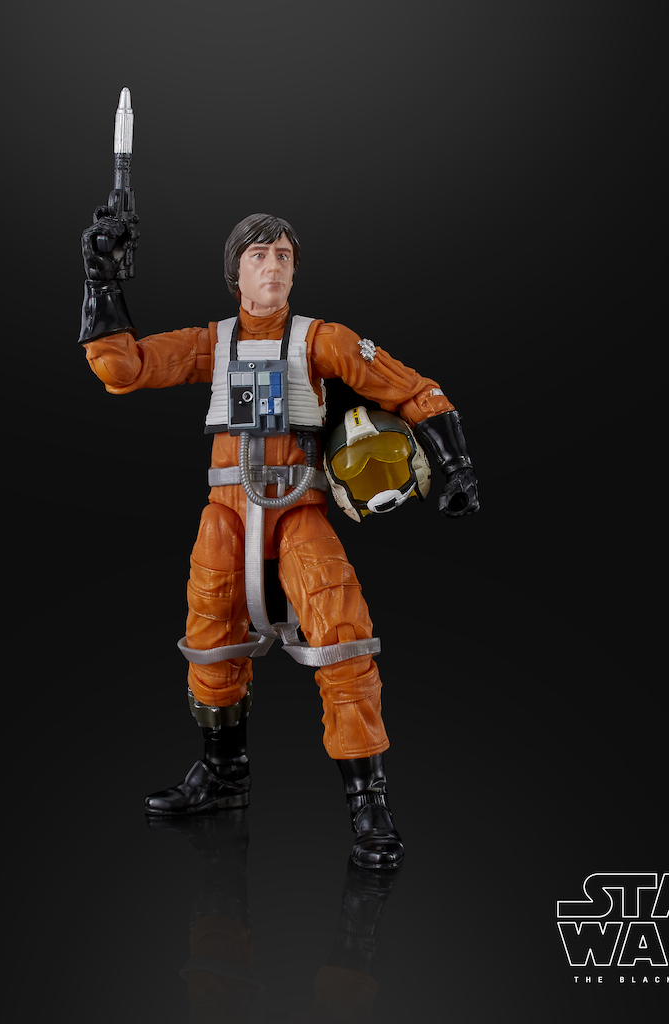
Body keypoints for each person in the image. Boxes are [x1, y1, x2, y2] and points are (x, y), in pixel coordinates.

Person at [77, 212, 479, 868]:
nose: (273, 266)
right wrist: (102, 281)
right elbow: (124, 368)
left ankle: (369, 800)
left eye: (284, 256)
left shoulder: (322, 341)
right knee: (209, 638)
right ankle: (223, 774)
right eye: (258, 255)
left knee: (343, 635)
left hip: (297, 508)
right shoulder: (211, 343)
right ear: (234, 273)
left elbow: (410, 388)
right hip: (228, 513)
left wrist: (456, 465)